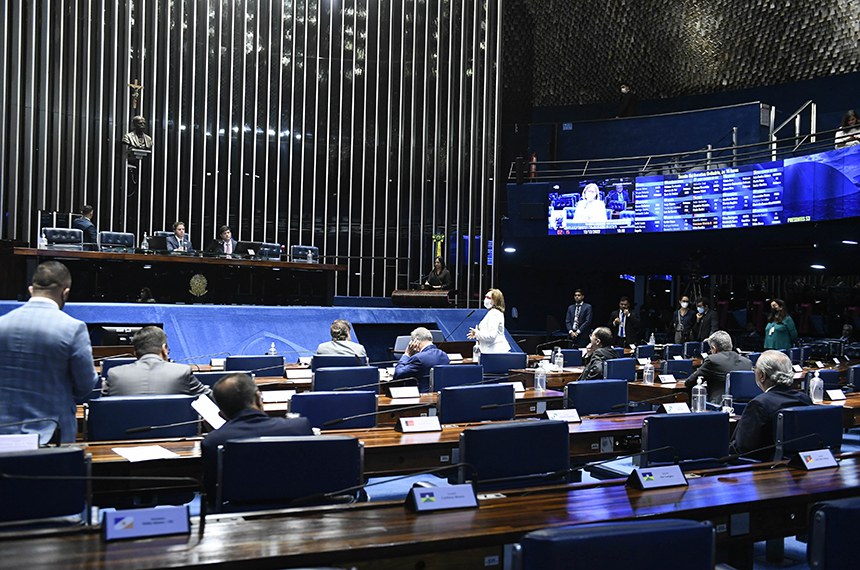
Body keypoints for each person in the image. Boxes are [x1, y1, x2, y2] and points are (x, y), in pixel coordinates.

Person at [0, 261, 98, 444]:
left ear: (31, 290)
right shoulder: (72, 328)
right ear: (65, 293)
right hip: (51, 434)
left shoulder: (1, 324)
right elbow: (85, 385)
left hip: (3, 434)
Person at [201, 373, 313, 499]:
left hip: (238, 514)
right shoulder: (300, 427)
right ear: (258, 398)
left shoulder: (213, 442)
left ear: (221, 414)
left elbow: (212, 492)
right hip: (298, 509)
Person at [729, 350, 812, 461]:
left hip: (762, 468)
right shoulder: (804, 399)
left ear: (762, 375)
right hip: (801, 463)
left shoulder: (759, 404)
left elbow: (743, 448)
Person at [102, 326, 210, 396]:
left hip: (122, 432)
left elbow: (100, 410)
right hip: (175, 432)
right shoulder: (182, 372)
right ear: (164, 349)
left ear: (135, 353)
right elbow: (216, 399)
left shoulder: (115, 374)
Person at [684, 331, 752, 404]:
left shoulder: (712, 360)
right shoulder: (747, 362)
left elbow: (690, 382)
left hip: (718, 406)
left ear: (714, 348)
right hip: (743, 407)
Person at [467, 288, 511, 353]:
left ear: (495, 301)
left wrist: (477, 333)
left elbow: (491, 336)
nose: (485, 299)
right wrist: (477, 334)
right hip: (491, 351)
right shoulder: (492, 312)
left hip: (496, 352)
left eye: (488, 297)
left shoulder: (494, 313)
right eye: (485, 297)